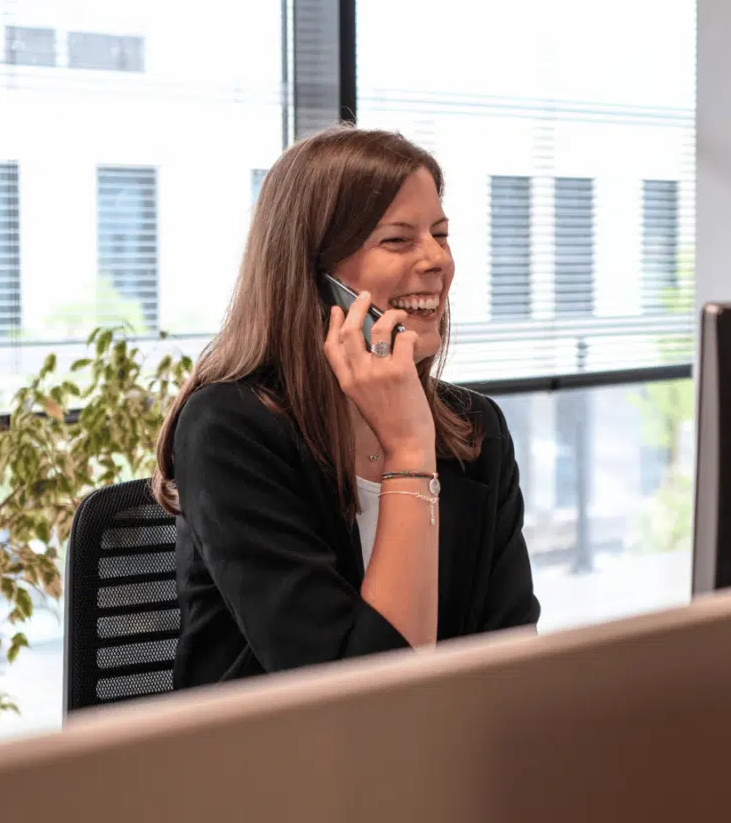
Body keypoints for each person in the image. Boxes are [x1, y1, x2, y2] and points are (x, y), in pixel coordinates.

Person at [152, 126, 540, 688]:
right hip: (278, 765)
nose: (436, 260)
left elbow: (511, 659)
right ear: (314, 279)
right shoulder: (230, 430)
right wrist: (409, 450)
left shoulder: (475, 430)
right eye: (398, 240)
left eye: (440, 233)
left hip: (440, 760)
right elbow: (361, 697)